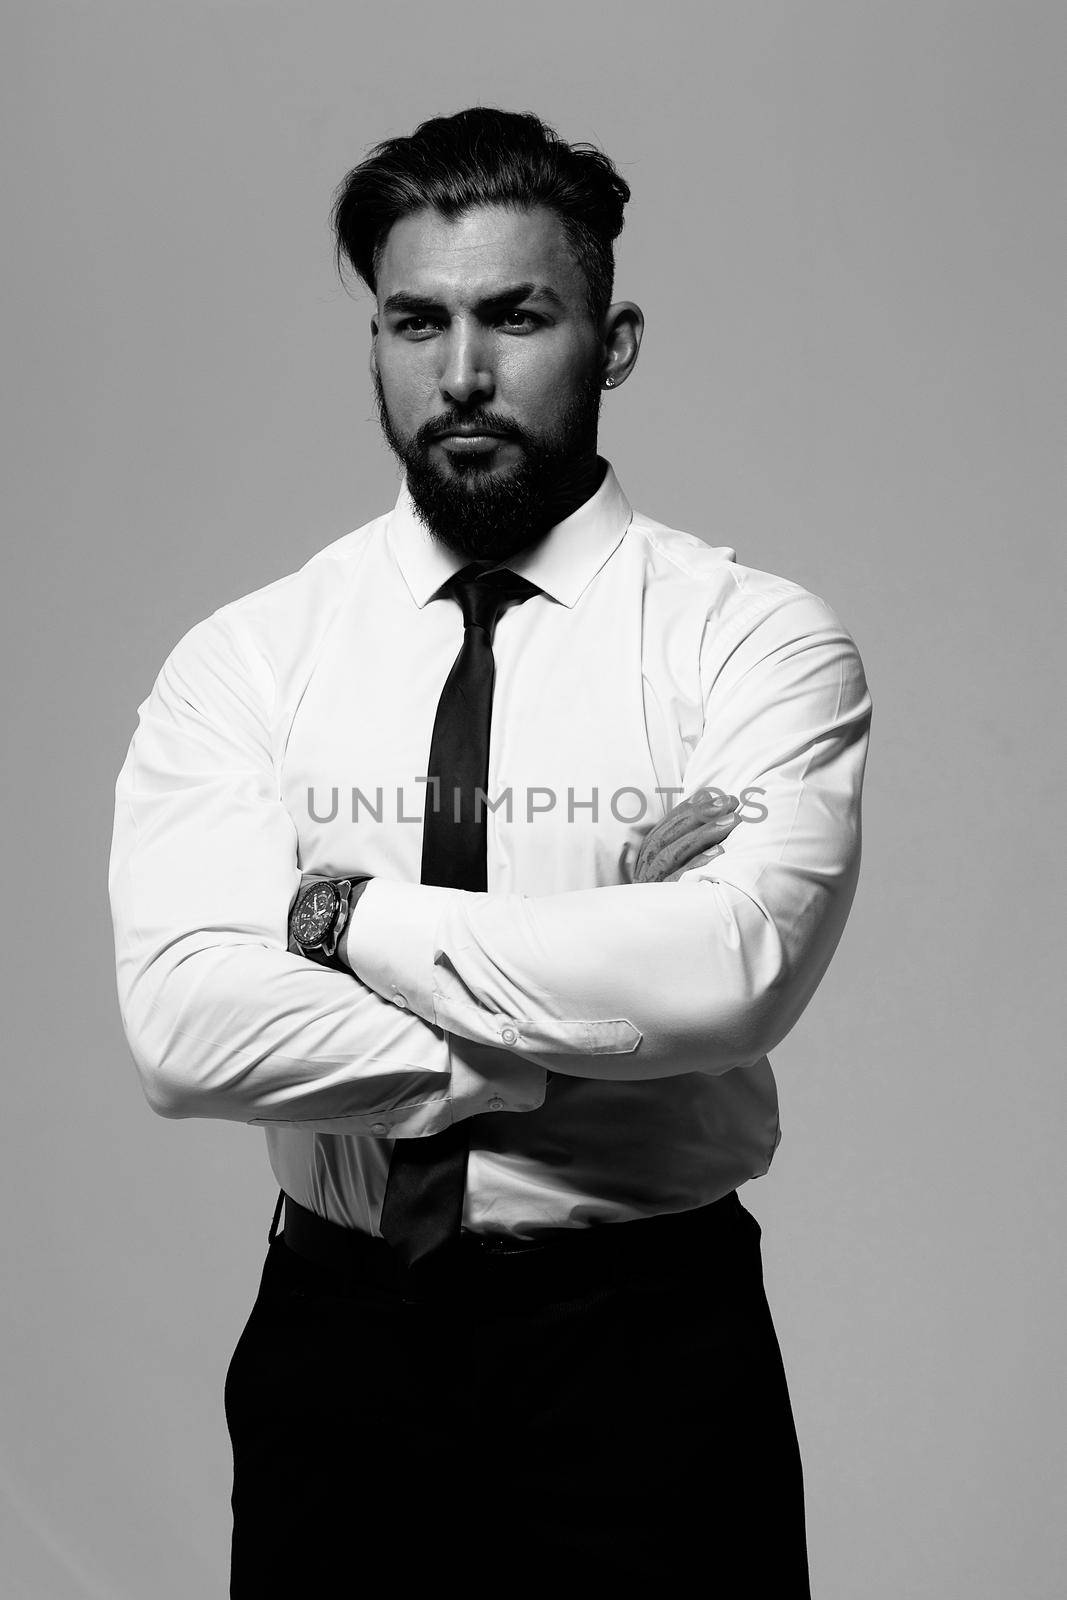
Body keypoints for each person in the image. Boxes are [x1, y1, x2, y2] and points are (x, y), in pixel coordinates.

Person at [108, 106, 871, 1596]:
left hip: (646, 1349)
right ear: (379, 338)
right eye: (416, 321)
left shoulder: (754, 643)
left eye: (515, 316)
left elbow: (726, 980)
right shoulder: (250, 660)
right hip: (339, 1344)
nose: (461, 373)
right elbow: (188, 1033)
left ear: (614, 337)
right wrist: (572, 995)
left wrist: (333, 912)